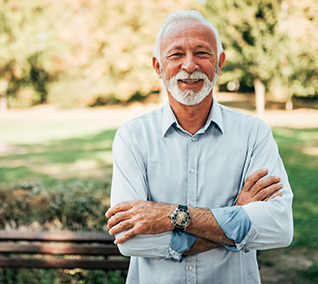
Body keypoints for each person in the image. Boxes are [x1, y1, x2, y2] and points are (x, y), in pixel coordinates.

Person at [106, 10, 293, 284]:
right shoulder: (132, 137)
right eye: (176, 54)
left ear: (219, 63)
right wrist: (236, 218)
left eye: (202, 53)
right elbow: (131, 242)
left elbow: (278, 228)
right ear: (158, 67)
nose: (189, 65)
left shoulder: (254, 134)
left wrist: (171, 217)